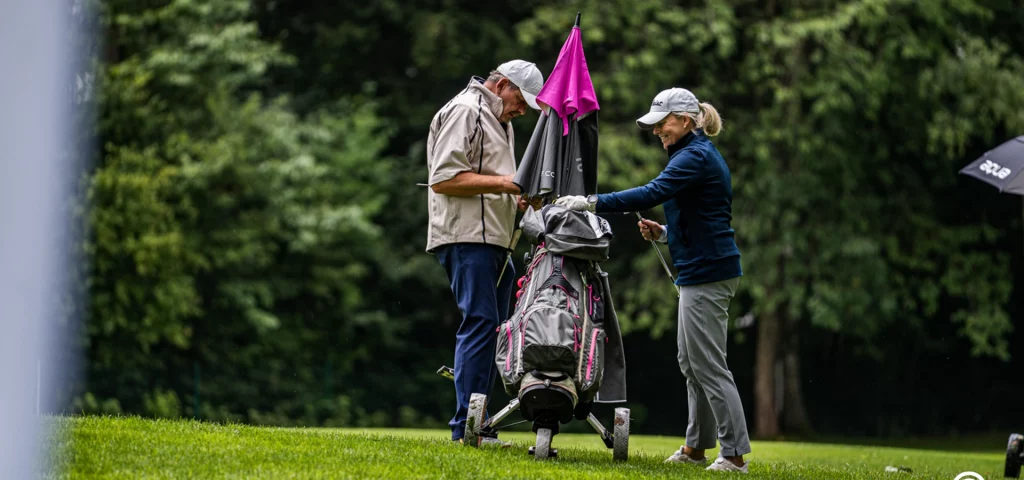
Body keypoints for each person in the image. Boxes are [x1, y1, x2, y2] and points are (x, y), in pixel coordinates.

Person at [555, 87, 751, 473]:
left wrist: (589, 202)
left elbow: (653, 191)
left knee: (709, 365)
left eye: (663, 123)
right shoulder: (690, 155)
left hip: (708, 274)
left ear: (686, 120)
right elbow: (699, 218)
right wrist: (663, 232)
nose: (658, 130)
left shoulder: (695, 156)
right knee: (691, 363)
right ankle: (696, 448)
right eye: (656, 124)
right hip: (701, 270)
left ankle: (734, 455)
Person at [425, 59, 545, 446]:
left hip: (493, 238)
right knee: (480, 323)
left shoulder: (498, 119)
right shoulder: (467, 110)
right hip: (466, 237)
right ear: (501, 84)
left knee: (491, 329)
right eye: (520, 99)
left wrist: (517, 200)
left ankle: (479, 423)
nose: (522, 110)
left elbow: (491, 180)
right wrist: (511, 184)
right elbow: (444, 179)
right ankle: (467, 429)